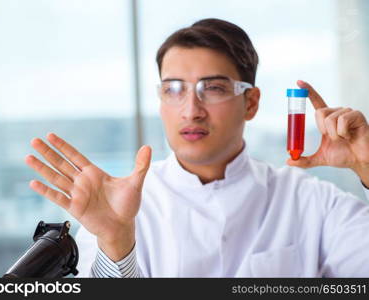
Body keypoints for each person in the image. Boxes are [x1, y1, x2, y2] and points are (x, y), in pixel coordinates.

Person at [25, 18, 369, 277]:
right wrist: (116, 244)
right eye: (174, 89)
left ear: (251, 102)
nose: (191, 109)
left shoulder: (311, 201)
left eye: (214, 88)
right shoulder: (116, 211)